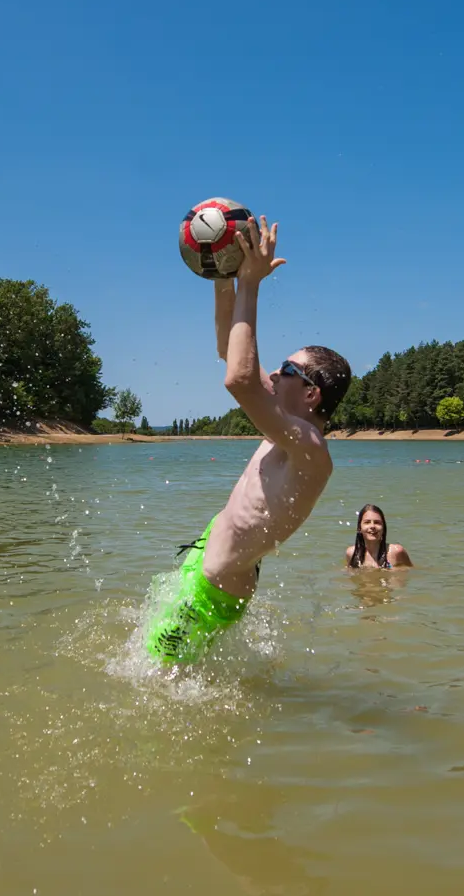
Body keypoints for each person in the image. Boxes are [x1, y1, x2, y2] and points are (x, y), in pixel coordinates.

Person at [145, 217, 352, 664]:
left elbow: (238, 379)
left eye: (288, 370)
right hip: (207, 554)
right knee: (154, 671)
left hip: (213, 590)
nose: (275, 373)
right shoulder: (283, 420)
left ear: (312, 393)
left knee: (152, 676)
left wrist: (252, 286)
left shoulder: (310, 448)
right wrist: (223, 276)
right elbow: (229, 348)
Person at [345, 504, 413, 569]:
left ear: (383, 528)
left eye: (377, 522)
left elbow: (412, 572)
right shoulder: (352, 553)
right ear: (359, 528)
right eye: (367, 522)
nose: (372, 526)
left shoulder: (396, 551)